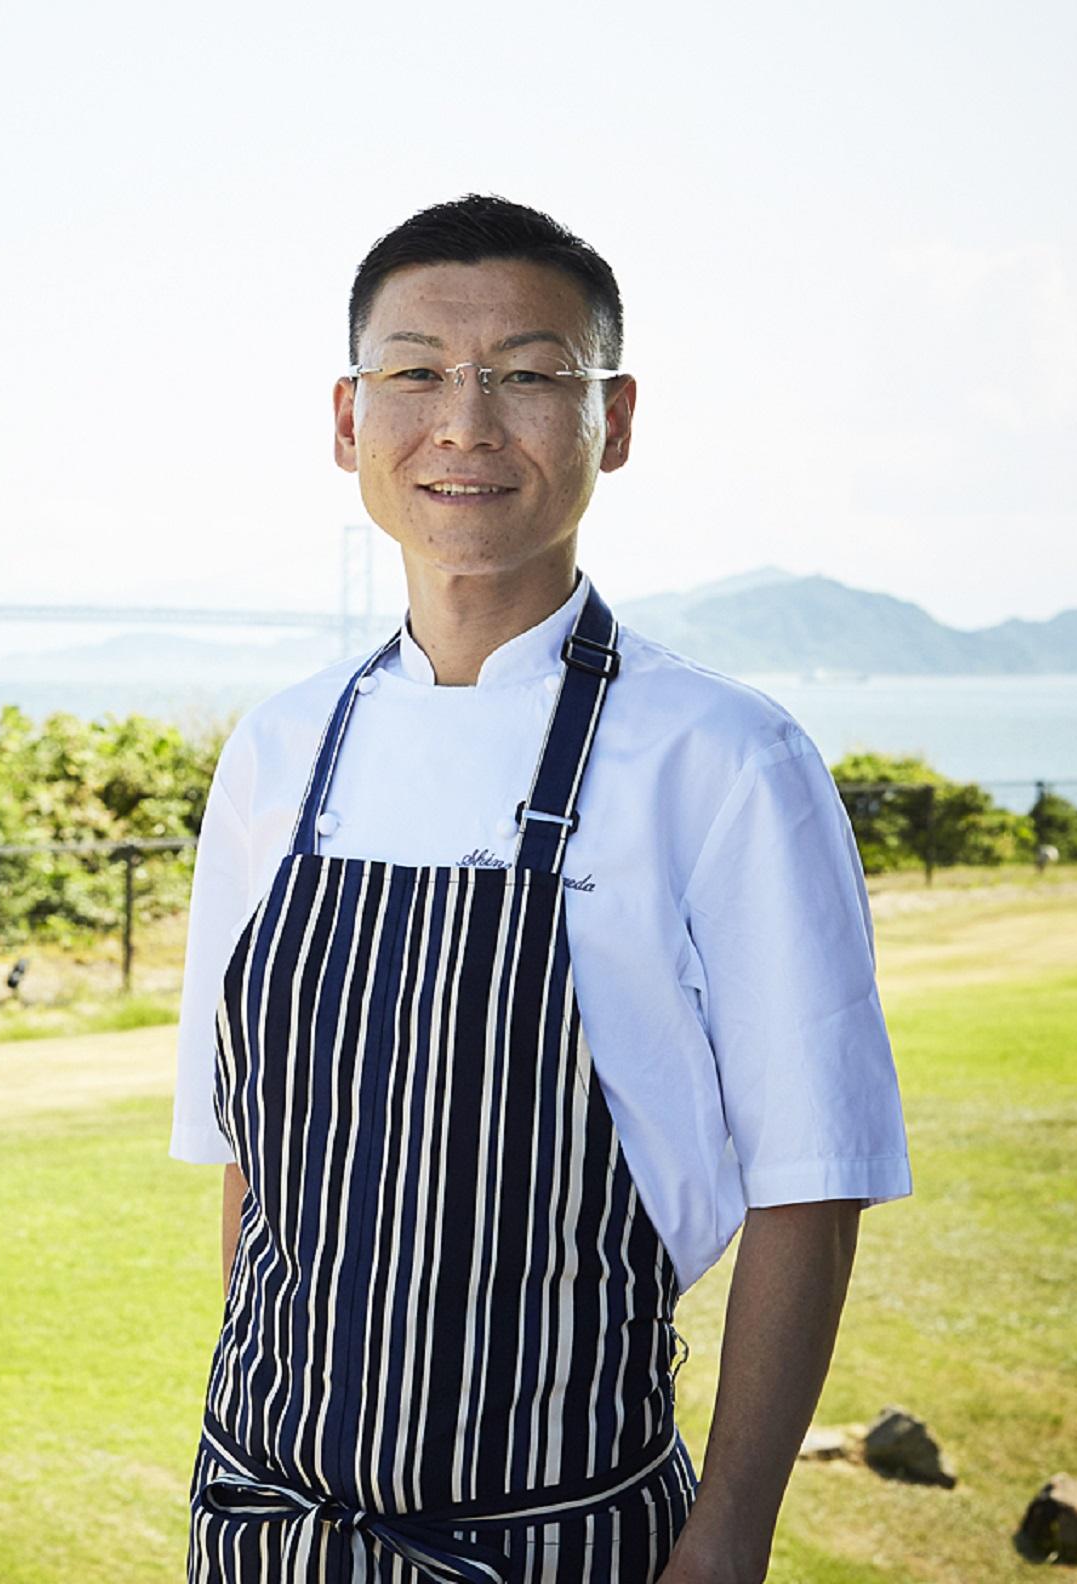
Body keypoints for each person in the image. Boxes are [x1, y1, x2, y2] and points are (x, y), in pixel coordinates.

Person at [170, 193, 912, 1584]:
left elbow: (815, 1185)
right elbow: (254, 1167)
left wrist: (731, 1534)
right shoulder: (276, 750)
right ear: (348, 420)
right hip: (263, 1530)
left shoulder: (727, 760)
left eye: (525, 373)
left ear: (612, 423)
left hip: (558, 1541)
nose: (464, 421)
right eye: (416, 373)